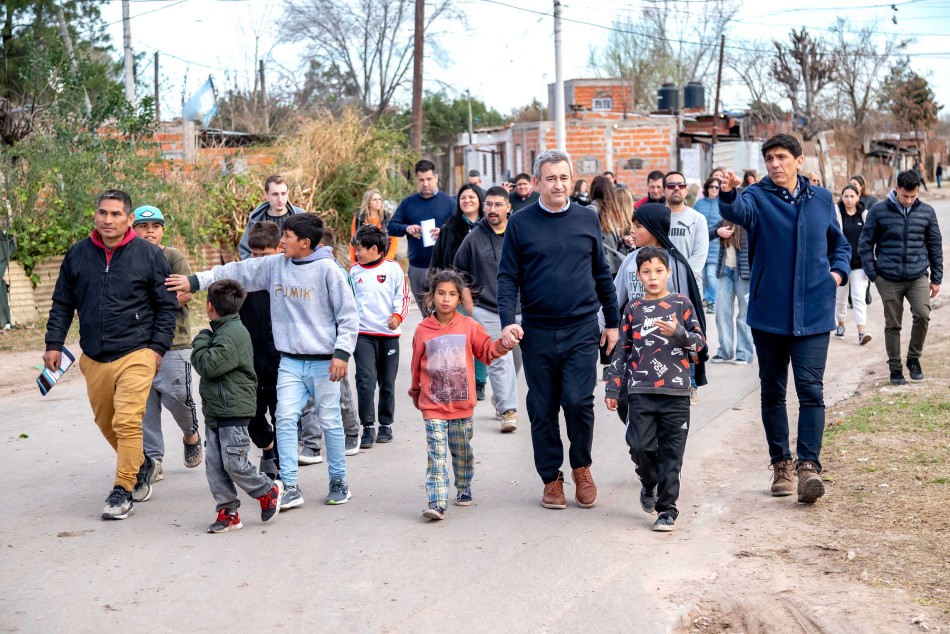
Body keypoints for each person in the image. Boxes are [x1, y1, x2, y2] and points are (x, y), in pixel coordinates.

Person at [167, 213, 360, 509]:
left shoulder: (328, 271)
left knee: (331, 422)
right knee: (284, 420)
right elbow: (238, 270)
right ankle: (291, 485)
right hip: (291, 361)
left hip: (324, 362)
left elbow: (348, 315)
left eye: (288, 237)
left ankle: (338, 480)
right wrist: (194, 281)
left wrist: (342, 353)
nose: (282, 241)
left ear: (305, 243)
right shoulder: (276, 265)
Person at [719, 133, 851, 505]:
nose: (774, 165)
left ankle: (808, 466)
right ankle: (781, 464)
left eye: (780, 158)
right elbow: (737, 213)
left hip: (813, 313)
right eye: (769, 159)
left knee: (811, 392)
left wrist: (836, 276)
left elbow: (839, 244)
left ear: (798, 160)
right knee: (773, 392)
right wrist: (729, 194)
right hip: (770, 314)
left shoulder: (822, 199)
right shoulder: (756, 198)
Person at [44, 189, 178, 520]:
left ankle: (122, 489)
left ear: (129, 219)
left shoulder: (147, 254)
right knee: (106, 422)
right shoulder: (78, 255)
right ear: (95, 215)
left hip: (136, 352)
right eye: (103, 213)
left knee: (127, 420)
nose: (108, 219)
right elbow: (63, 302)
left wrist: (157, 348)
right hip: (94, 356)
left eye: (116, 214)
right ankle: (143, 463)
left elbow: (166, 305)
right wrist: (53, 342)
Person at [497, 149, 619, 510]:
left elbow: (602, 273)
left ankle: (581, 466)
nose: (558, 184)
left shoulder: (586, 218)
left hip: (581, 327)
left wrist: (611, 322)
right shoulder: (520, 222)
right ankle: (551, 478)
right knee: (542, 406)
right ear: (536, 184)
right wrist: (508, 322)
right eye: (550, 178)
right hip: (537, 331)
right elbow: (508, 277)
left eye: (564, 177)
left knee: (579, 402)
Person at [605, 246, 705, 532]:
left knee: (672, 453)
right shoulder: (633, 309)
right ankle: (648, 480)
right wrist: (613, 389)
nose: (653, 277)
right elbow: (622, 352)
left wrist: (678, 333)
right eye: (646, 272)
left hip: (676, 393)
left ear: (668, 273)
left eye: (658, 271)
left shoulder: (681, 305)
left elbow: (700, 346)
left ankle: (667, 509)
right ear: (638, 275)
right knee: (640, 446)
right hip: (640, 391)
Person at [409, 269, 515, 520]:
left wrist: (504, 343)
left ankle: (464, 486)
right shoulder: (423, 329)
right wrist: (416, 392)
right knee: (436, 452)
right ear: (431, 296)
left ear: (459, 299)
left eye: (452, 294)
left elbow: (487, 352)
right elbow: (416, 365)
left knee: (462, 450)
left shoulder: (469, 326)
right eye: (441, 293)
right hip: (432, 405)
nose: (446, 298)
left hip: (461, 405)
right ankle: (437, 501)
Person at [192, 279, 283, 533]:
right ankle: (227, 510)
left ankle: (267, 490)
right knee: (215, 464)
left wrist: (200, 339)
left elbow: (208, 364)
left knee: (234, 463)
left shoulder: (231, 333)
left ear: (209, 306)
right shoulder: (223, 330)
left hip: (233, 409)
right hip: (216, 410)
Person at [612, 203, 708, 417]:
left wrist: (694, 352)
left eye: (638, 226)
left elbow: (689, 312)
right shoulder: (629, 261)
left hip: (670, 354)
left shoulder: (676, 266)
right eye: (632, 226)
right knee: (631, 411)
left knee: (667, 415)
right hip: (637, 350)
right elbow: (614, 298)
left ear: (654, 228)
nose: (632, 230)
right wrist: (600, 326)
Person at [132, 206, 203, 482]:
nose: (150, 230)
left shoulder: (171, 256)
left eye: (155, 226)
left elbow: (185, 294)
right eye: (143, 226)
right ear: (132, 228)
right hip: (138, 345)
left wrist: (149, 308)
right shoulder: (128, 259)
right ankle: (153, 460)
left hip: (175, 342)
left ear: (162, 230)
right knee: (145, 406)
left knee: (178, 399)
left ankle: (191, 434)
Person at [858, 169, 943, 385]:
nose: (909, 200)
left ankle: (913, 359)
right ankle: (895, 369)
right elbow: (865, 244)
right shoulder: (878, 210)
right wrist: (873, 274)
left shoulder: (927, 212)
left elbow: (935, 246)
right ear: (896, 189)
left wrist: (937, 278)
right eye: (905, 196)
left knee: (923, 315)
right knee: (893, 324)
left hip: (917, 275)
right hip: (888, 277)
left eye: (913, 196)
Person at [454, 186, 523, 432]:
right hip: (489, 309)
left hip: (518, 308)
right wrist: (470, 306)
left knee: (516, 361)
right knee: (500, 360)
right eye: (489, 205)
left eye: (497, 205)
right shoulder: (474, 237)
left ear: (508, 208)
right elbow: (458, 271)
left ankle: (501, 396)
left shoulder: (518, 233)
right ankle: (508, 411)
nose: (492, 210)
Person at [298, 228, 363, 461]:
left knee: (340, 393)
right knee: (307, 398)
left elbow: (350, 312)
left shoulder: (337, 273)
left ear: (324, 249)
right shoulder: (302, 271)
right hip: (308, 346)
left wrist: (341, 350)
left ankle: (352, 431)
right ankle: (312, 444)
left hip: (333, 348)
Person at [350, 225, 410, 448]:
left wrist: (397, 316)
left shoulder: (394, 269)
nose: (357, 253)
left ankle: (386, 424)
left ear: (374, 248)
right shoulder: (354, 272)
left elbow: (402, 297)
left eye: (360, 249)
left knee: (387, 383)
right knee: (365, 382)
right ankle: (367, 427)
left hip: (388, 336)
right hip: (363, 335)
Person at [429, 183, 488, 399]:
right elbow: (436, 261)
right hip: (454, 294)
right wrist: (434, 290)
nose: (467, 201)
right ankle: (459, 379)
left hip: (483, 295)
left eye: (472, 197)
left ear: (480, 201)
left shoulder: (487, 227)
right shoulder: (449, 229)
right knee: (457, 341)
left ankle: (480, 381)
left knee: (481, 340)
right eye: (463, 198)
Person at [239, 221, 283, 480]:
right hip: (250, 364)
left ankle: (282, 465)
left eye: (264, 255)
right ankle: (267, 448)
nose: (258, 261)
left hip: (282, 363)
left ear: (279, 248)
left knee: (285, 418)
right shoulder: (242, 279)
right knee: (253, 416)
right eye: (254, 255)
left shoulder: (289, 279)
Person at [388, 160, 456, 313]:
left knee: (445, 313)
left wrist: (444, 232)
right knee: (426, 315)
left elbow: (461, 231)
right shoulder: (408, 203)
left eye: (429, 179)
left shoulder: (449, 203)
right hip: (418, 267)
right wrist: (407, 228)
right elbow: (391, 227)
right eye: (421, 180)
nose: (425, 184)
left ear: (436, 178)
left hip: (444, 267)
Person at [708, 218, 753, 364]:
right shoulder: (724, 221)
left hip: (745, 274)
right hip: (725, 272)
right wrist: (717, 232)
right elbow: (706, 234)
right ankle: (725, 351)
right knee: (721, 311)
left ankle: (744, 353)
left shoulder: (749, 221)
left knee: (744, 315)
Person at [833, 186, 872, 345]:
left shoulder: (865, 215)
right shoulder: (836, 214)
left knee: (858, 297)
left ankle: (861, 332)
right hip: (841, 264)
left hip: (859, 264)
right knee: (840, 298)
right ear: (842, 197)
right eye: (846, 196)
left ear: (858, 197)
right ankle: (841, 325)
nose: (849, 199)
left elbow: (871, 237)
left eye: (852, 196)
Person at [664, 171, 709, 300]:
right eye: (671, 185)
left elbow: (699, 256)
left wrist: (679, 278)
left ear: (686, 190)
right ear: (664, 190)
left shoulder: (698, 219)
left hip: (689, 285)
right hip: (659, 287)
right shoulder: (655, 218)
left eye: (681, 185)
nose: (677, 188)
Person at [238, 174, 306, 260]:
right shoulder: (256, 219)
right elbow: (245, 251)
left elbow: (310, 247)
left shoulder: (301, 217)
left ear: (288, 194)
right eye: (275, 194)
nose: (280, 199)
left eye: (283, 194)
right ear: (266, 195)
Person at [590, 175, 633, 276]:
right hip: (602, 269)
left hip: (611, 269)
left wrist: (624, 242)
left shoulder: (608, 212)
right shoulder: (593, 210)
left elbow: (611, 244)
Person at [693, 177, 722, 312]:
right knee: (702, 275)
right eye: (712, 187)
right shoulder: (699, 204)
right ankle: (705, 298)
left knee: (711, 275)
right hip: (700, 244)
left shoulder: (722, 204)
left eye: (717, 187)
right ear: (707, 188)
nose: (714, 190)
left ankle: (712, 301)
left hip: (716, 245)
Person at [349, 189, 398, 266]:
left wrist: (389, 259)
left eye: (379, 199)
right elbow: (353, 241)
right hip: (364, 261)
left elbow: (394, 240)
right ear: (368, 202)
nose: (378, 201)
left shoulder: (388, 217)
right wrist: (352, 261)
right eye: (375, 199)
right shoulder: (359, 218)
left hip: (385, 260)